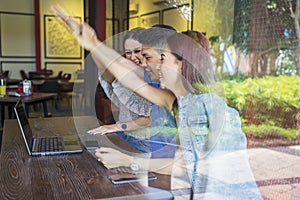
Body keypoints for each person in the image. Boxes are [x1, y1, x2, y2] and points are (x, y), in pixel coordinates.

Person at [53, 6, 262, 199]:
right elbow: (130, 79)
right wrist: (93, 43)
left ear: (181, 65)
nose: (153, 66)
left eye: (162, 58)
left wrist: (128, 161)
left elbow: (186, 166)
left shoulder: (202, 106)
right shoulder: (178, 102)